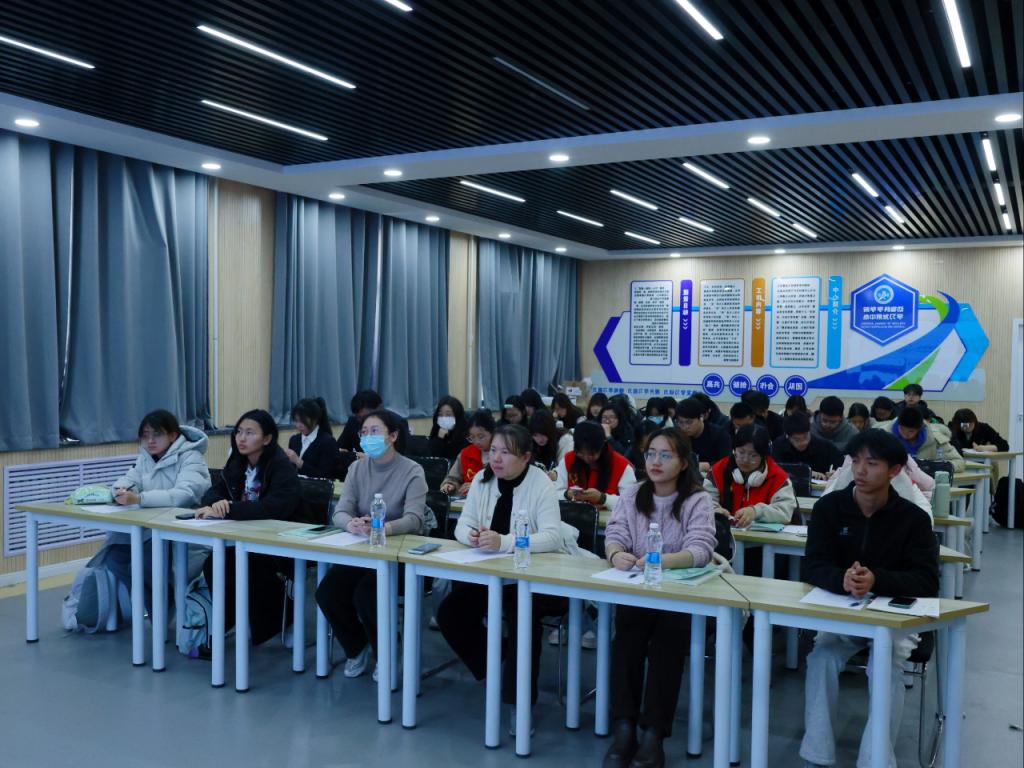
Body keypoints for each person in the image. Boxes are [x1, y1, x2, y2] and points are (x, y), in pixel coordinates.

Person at [800, 429, 939, 768]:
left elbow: (926, 580)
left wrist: (878, 579)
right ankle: (817, 754)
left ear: (895, 470)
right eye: (856, 461)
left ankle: (875, 761)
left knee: (885, 667)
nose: (860, 470)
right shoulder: (830, 508)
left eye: (872, 463)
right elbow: (813, 565)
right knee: (821, 658)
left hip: (892, 618)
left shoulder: (914, 519)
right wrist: (842, 579)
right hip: (842, 612)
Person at [437, 424, 571, 728]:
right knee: (450, 613)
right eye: (494, 451)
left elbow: (551, 537)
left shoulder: (540, 484)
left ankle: (519, 704)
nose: (496, 459)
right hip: (491, 575)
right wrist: (472, 536)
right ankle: (500, 661)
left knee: (523, 621)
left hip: (531, 578)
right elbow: (462, 524)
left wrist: (505, 541)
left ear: (525, 457)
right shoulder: (483, 480)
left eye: (506, 453)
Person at [602, 429, 718, 768]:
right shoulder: (633, 493)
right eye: (651, 453)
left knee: (667, 645)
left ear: (683, 463)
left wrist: (660, 560)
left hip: (680, 595)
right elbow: (615, 533)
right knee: (626, 640)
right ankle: (624, 727)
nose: (655, 461)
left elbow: (701, 549)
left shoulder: (697, 499)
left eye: (665, 455)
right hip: (639, 589)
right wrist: (615, 554)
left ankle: (654, 733)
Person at [315, 409, 429, 681]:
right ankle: (356, 647)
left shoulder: (412, 471)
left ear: (393, 436)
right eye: (363, 432)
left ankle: (386, 651)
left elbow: (415, 519)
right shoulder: (357, 468)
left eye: (374, 431)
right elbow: (341, 512)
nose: (367, 437)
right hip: (364, 551)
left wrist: (382, 528)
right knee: (327, 592)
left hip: (399, 555)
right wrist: (351, 524)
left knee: (367, 595)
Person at [195, 410, 300, 645]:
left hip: (279, 542)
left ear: (267, 438)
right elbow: (213, 491)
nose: (241, 438)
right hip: (245, 538)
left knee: (241, 563)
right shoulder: (237, 462)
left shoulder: (280, 466)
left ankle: (277, 620)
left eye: (250, 433)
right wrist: (217, 503)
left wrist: (229, 509)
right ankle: (230, 619)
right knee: (214, 562)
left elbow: (273, 508)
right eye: (239, 432)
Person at [106, 410, 211, 607]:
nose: (150, 441)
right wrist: (119, 491)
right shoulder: (145, 458)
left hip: (182, 533)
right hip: (151, 528)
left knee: (147, 562)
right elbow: (128, 479)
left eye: (157, 435)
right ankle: (158, 605)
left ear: (173, 436)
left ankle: (162, 607)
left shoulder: (191, 457)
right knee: (113, 555)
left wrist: (139, 498)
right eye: (145, 435)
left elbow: (184, 495)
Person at [705, 424, 797, 530]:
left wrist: (756, 511)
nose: (745, 460)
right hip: (723, 534)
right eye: (741, 452)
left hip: (762, 538)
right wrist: (714, 510)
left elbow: (785, 512)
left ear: (763, 456)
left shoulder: (778, 477)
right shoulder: (718, 471)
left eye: (753, 455)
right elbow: (704, 502)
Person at [554, 420, 637, 512]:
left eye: (591, 454)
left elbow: (631, 503)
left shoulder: (621, 466)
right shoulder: (568, 460)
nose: (586, 458)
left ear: (602, 446)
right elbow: (554, 493)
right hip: (573, 516)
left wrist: (603, 498)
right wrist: (566, 495)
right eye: (581, 453)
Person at [876, 406, 966, 472]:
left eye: (911, 431)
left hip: (925, 486)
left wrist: (935, 467)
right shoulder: (882, 436)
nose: (905, 434)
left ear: (919, 429)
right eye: (902, 429)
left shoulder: (934, 439)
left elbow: (959, 462)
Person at [772, 412, 844, 478]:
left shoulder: (823, 446)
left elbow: (843, 465)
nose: (803, 442)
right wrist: (807, 473)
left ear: (809, 431)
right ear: (787, 436)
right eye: (797, 439)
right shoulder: (778, 447)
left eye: (805, 437)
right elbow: (774, 471)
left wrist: (835, 473)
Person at [440, 409, 495, 495]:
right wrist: (450, 485)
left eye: (481, 437)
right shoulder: (466, 454)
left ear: (492, 433)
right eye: (472, 437)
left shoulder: (501, 454)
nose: (476, 442)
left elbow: (502, 483)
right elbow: (453, 478)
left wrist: (477, 486)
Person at [285, 397, 340, 479]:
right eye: (296, 421)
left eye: (303, 421)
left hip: (316, 486)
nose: (298, 425)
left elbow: (326, 476)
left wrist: (299, 462)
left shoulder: (327, 442)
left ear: (315, 419)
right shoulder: (294, 440)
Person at [675, 396, 731, 471]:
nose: (684, 427)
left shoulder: (719, 435)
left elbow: (727, 463)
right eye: (680, 422)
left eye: (689, 422)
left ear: (701, 417)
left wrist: (707, 465)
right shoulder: (678, 435)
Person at [427, 395, 469, 463]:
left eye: (448, 415)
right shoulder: (437, 432)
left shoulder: (466, 438)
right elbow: (431, 458)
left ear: (457, 416)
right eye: (440, 414)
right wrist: (439, 439)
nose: (443, 418)